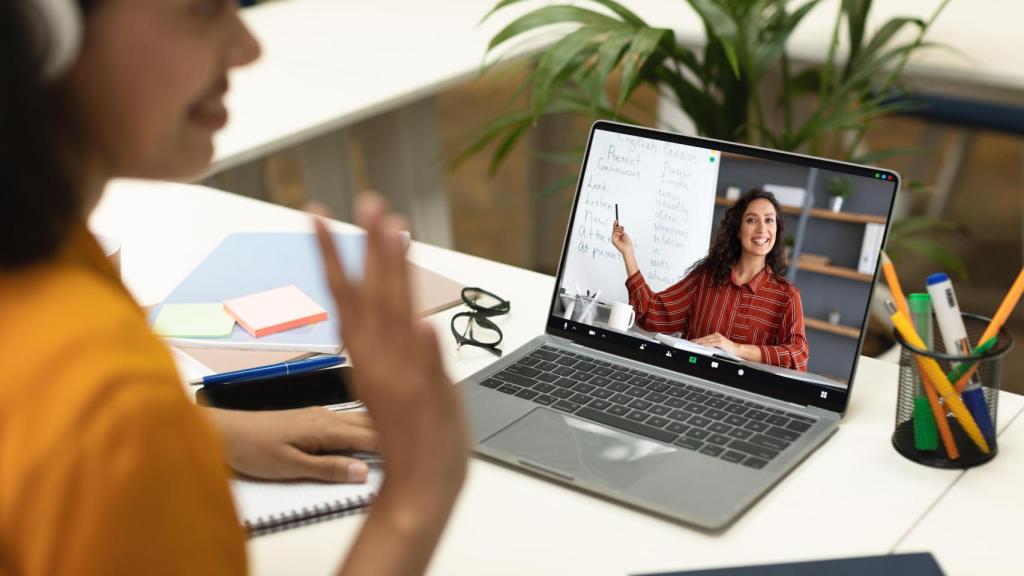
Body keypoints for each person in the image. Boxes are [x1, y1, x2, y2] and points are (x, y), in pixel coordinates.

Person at [0, 0, 467, 574]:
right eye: (201, 10)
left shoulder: (50, 265)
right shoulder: (106, 401)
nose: (248, 47)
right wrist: (417, 494)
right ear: (42, 33)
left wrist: (204, 430)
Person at [611, 188, 809, 371]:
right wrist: (628, 254)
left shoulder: (786, 297)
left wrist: (736, 348)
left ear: (777, 229)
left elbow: (798, 357)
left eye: (769, 220)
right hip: (690, 384)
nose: (762, 229)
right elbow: (651, 314)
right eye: (751, 220)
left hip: (746, 400)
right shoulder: (705, 278)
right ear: (738, 230)